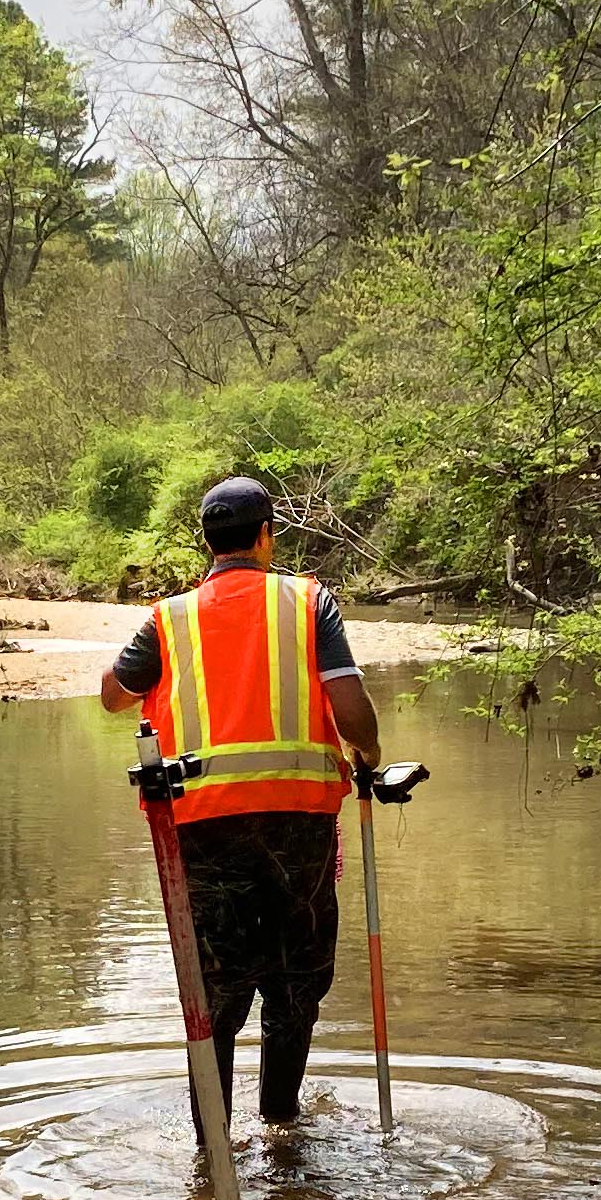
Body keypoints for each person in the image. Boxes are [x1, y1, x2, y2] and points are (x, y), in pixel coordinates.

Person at [99, 475, 382, 1125]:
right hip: (298, 824)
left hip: (202, 828)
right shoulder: (309, 602)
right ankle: (282, 1126)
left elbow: (113, 695)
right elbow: (349, 707)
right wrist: (367, 756)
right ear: (265, 536)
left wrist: (145, 663)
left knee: (214, 994)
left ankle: (213, 1160)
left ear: (207, 541)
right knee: (295, 983)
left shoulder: (168, 618)